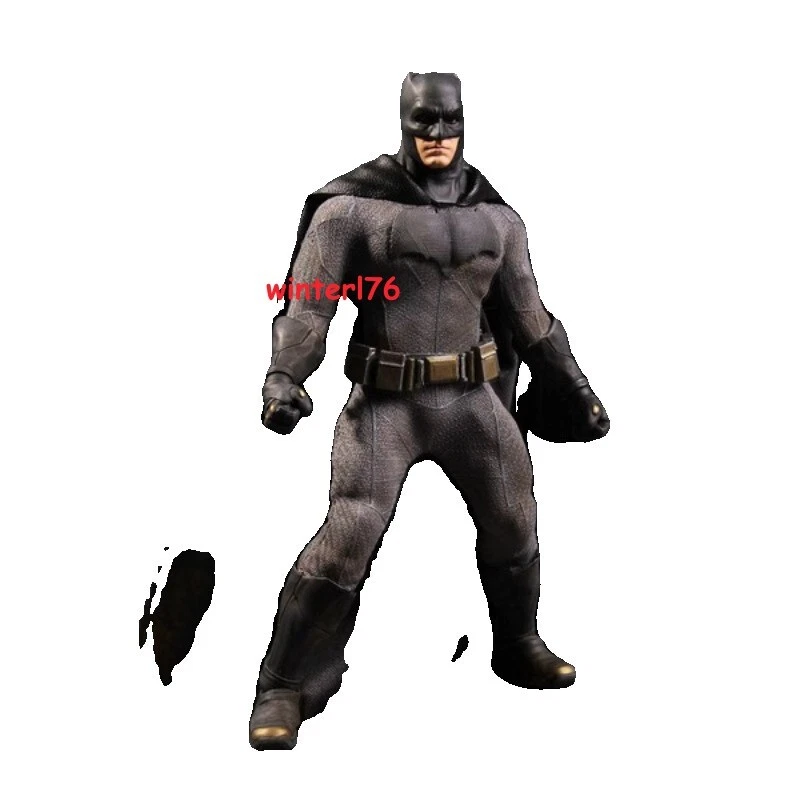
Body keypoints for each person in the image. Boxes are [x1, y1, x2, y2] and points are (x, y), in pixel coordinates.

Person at [249, 72, 610, 750]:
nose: (438, 135)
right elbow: (309, 303)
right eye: (425, 122)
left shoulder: (498, 220)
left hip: (472, 400)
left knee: (515, 516)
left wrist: (576, 387)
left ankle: (518, 646)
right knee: (351, 530)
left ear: (464, 121)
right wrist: (283, 378)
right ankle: (282, 685)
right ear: (405, 122)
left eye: (449, 121)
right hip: (386, 404)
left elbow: (530, 317)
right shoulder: (352, 211)